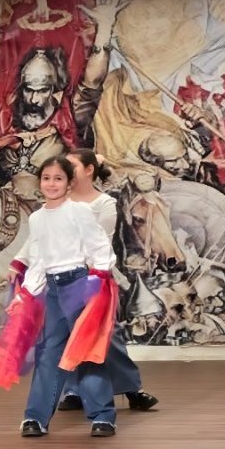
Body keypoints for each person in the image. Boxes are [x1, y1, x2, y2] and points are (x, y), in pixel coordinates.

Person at [17, 156, 118, 437]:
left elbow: (99, 245)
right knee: (49, 352)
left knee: (86, 350)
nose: (52, 184)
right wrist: (28, 290)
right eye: (46, 178)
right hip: (53, 288)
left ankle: (102, 416)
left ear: (70, 183)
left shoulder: (79, 211)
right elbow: (38, 257)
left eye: (58, 178)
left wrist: (98, 277)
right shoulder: (37, 218)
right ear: (40, 182)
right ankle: (35, 417)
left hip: (80, 284)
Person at [59, 149, 158, 413]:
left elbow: (100, 242)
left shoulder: (103, 203)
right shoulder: (58, 200)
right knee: (69, 332)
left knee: (107, 334)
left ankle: (131, 388)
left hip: (93, 275)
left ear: (89, 170)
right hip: (61, 274)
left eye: (72, 165)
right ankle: (73, 390)